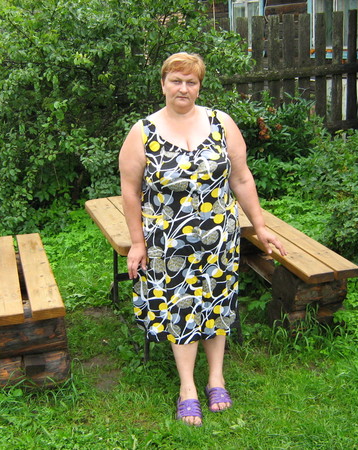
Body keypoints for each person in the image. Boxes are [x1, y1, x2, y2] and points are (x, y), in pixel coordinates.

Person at [119, 52, 287, 426]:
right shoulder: (142, 132)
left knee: (215, 302)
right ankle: (187, 388)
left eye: (191, 82)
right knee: (181, 308)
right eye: (176, 80)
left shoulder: (221, 123)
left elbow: (241, 178)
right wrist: (137, 242)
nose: (183, 88)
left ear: (199, 86)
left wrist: (260, 226)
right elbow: (130, 191)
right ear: (163, 84)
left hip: (219, 239)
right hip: (169, 242)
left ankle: (216, 379)